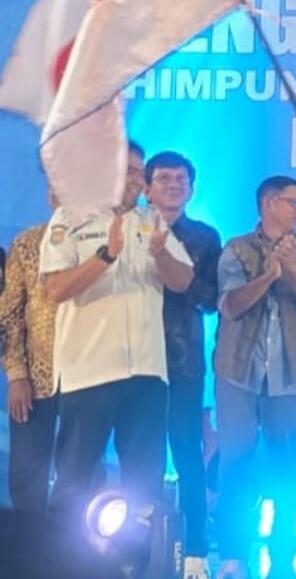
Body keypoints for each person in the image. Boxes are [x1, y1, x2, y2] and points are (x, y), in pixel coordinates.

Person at [39, 174, 193, 518]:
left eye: (140, 173)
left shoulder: (152, 220)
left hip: (147, 372)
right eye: (128, 170)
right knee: (75, 480)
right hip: (89, 371)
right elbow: (57, 288)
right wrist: (106, 256)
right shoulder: (70, 217)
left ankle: (137, 552)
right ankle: (59, 551)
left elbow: (183, 280)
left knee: (145, 486)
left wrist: (160, 254)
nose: (135, 179)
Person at [214, 176, 296, 579]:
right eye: (293, 202)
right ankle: (233, 556)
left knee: (287, 466)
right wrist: (267, 276)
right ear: (268, 203)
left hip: (291, 374)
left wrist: (291, 267)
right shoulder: (236, 248)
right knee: (235, 464)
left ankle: (284, 557)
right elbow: (229, 306)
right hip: (238, 373)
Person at [145, 150, 222, 579]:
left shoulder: (205, 238)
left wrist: (173, 267)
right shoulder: (128, 230)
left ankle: (195, 550)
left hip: (183, 361)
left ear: (191, 189)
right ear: (147, 188)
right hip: (133, 362)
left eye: (181, 179)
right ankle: (139, 546)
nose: (173, 185)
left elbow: (211, 299)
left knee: (187, 452)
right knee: (142, 454)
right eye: (164, 178)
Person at [0, 191, 59, 510]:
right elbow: (10, 314)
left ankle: (75, 540)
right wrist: (16, 374)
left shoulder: (104, 245)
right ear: (50, 195)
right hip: (35, 378)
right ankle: (27, 537)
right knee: (26, 474)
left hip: (89, 379)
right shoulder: (27, 243)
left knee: (83, 473)